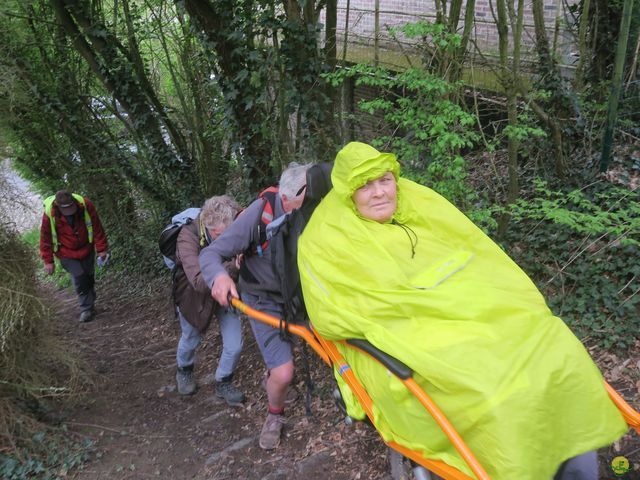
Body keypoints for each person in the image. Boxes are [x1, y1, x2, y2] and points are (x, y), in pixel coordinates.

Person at [297, 142, 627, 480]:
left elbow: (475, 253)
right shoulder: (325, 238)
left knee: (557, 349)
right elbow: (333, 314)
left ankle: (569, 454)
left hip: (470, 315)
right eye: (365, 186)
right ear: (348, 193)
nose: (379, 192)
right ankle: (512, 464)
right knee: (488, 390)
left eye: (384, 180)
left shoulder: (419, 204)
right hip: (409, 336)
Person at [199, 162, 311, 450]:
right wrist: (220, 278)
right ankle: (275, 414)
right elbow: (211, 254)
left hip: (300, 296)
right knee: (285, 372)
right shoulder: (258, 214)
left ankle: (273, 377)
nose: (310, 207)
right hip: (262, 299)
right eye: (304, 200)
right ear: (286, 199)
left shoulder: (315, 210)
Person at [173, 195, 245, 404]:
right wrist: (233, 267)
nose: (227, 239)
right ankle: (184, 369)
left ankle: (224, 380)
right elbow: (197, 280)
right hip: (193, 297)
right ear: (210, 228)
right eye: (221, 235)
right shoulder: (187, 236)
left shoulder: (234, 227)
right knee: (191, 337)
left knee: (235, 344)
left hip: (227, 293)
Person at [40, 190, 108, 322]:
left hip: (86, 247)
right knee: (79, 276)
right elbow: (45, 237)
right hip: (65, 252)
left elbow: (97, 227)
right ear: (57, 206)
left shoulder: (85, 205)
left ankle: (90, 303)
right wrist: (48, 261)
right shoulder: (50, 213)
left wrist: (102, 249)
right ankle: (86, 309)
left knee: (88, 276)